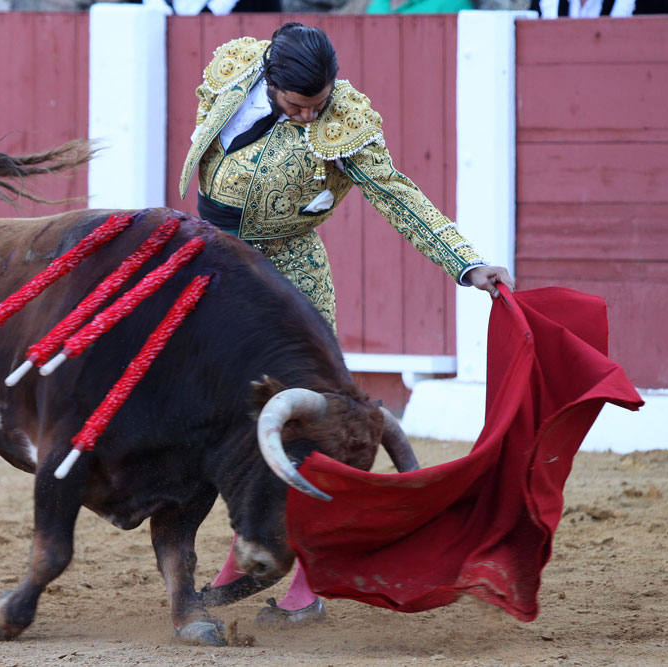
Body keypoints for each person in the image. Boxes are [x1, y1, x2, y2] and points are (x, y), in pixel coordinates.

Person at [180, 22, 515, 626]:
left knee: (305, 429)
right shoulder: (234, 66)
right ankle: (241, 552)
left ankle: (304, 584)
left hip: (289, 278)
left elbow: (400, 197)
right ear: (270, 81)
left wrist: (465, 264)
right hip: (215, 267)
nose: (310, 117)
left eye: (318, 104)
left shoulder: (346, 127)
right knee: (212, 415)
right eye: (297, 105)